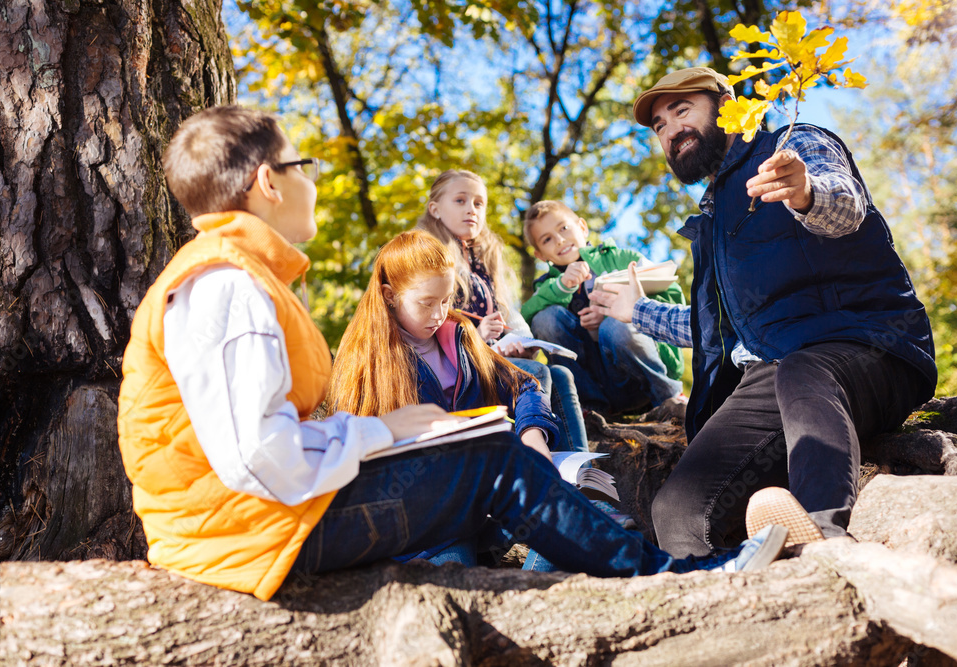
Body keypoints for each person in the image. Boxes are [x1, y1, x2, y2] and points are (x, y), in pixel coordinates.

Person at [115, 105, 797, 600]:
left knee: (481, 451)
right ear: (268, 181)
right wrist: (383, 430)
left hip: (251, 521)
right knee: (490, 464)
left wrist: (400, 437)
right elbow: (258, 457)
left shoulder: (236, 277)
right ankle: (673, 582)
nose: (312, 180)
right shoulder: (228, 287)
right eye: (305, 165)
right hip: (245, 536)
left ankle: (595, 559)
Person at [591, 67, 937, 558]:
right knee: (680, 512)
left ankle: (826, 547)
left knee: (803, 369)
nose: (671, 130)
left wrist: (805, 193)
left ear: (727, 106)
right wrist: (635, 312)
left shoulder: (792, 147)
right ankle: (751, 582)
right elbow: (714, 329)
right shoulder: (712, 221)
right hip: (771, 376)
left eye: (682, 110)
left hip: (865, 344)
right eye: (659, 126)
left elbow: (845, 205)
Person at [328, 229, 562, 565]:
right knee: (456, 572)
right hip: (426, 525)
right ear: (389, 295)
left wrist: (532, 437)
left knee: (566, 511)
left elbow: (522, 385)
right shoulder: (365, 360)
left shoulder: (460, 334)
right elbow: (362, 456)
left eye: (447, 299)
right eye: (426, 302)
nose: (439, 314)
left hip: (487, 495)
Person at [415, 170, 589, 454]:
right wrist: (474, 336)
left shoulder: (487, 259)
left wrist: (521, 343)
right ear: (435, 209)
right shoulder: (426, 256)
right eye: (460, 200)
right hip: (453, 374)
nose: (471, 209)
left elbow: (509, 316)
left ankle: (580, 471)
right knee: (533, 373)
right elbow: (423, 322)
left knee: (560, 375)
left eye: (478, 203)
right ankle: (537, 462)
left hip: (491, 362)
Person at [521, 200, 687, 417]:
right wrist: (561, 286)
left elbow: (672, 294)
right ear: (541, 255)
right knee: (544, 319)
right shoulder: (546, 287)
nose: (560, 240)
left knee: (617, 325)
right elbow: (525, 317)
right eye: (547, 239)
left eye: (563, 228)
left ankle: (669, 398)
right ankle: (590, 410)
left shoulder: (623, 258)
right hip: (593, 386)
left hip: (636, 377)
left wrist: (623, 310)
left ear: (582, 227)